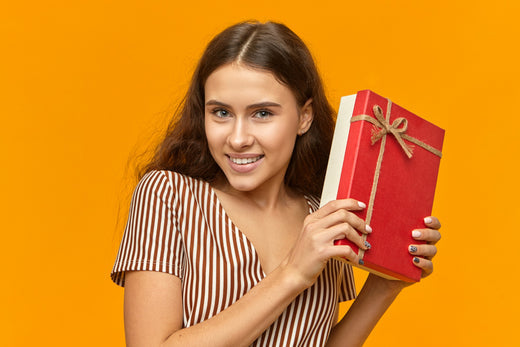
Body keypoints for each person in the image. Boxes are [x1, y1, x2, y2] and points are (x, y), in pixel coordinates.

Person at [111, 21, 442, 347]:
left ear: (304, 117)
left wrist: (386, 284)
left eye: (262, 114)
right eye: (221, 113)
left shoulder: (324, 214)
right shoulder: (169, 195)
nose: (238, 138)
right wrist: (293, 273)